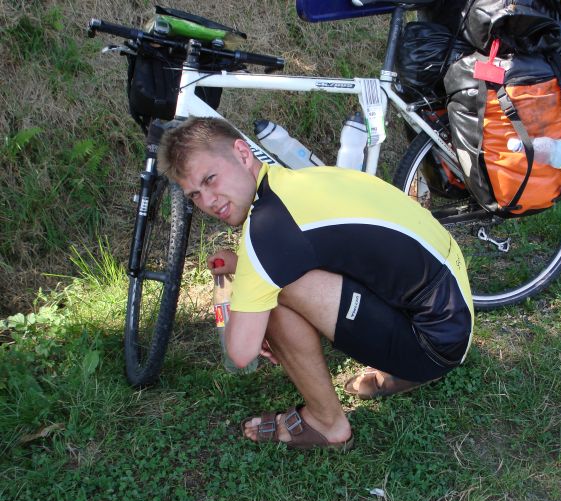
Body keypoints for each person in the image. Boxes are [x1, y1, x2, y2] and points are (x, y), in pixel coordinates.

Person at [157, 117, 474, 450]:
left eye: (210, 179)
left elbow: (239, 353)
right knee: (271, 282)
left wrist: (246, 294)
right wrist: (245, 272)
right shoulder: (297, 180)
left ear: (242, 152)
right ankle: (405, 363)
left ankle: (327, 423)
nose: (208, 200)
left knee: (272, 292)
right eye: (195, 194)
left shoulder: (267, 232)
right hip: (453, 313)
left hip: (434, 343)